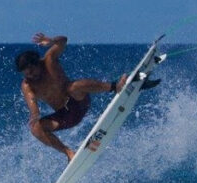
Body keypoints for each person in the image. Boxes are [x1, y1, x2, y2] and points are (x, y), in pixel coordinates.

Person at [16, 32, 127, 161]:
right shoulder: (28, 85)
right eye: (26, 74)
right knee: (35, 129)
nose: (31, 76)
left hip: (79, 102)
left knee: (73, 87)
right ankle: (68, 153)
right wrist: (34, 116)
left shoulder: (49, 60)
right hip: (66, 117)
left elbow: (63, 41)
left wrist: (52, 41)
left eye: (32, 72)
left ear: (37, 63)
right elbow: (33, 105)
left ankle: (115, 87)